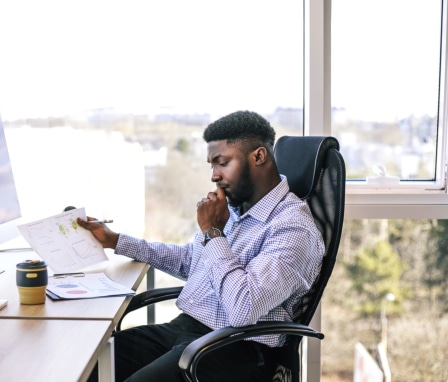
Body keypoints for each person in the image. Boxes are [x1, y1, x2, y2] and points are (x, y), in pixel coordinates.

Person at [79, 110, 324, 382]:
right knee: (87, 365)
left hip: (239, 345)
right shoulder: (235, 209)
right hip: (186, 329)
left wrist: (213, 232)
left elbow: (244, 308)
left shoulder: (293, 227)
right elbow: (189, 260)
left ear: (258, 156)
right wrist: (115, 241)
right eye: (212, 165)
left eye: (222, 163)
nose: (214, 176)